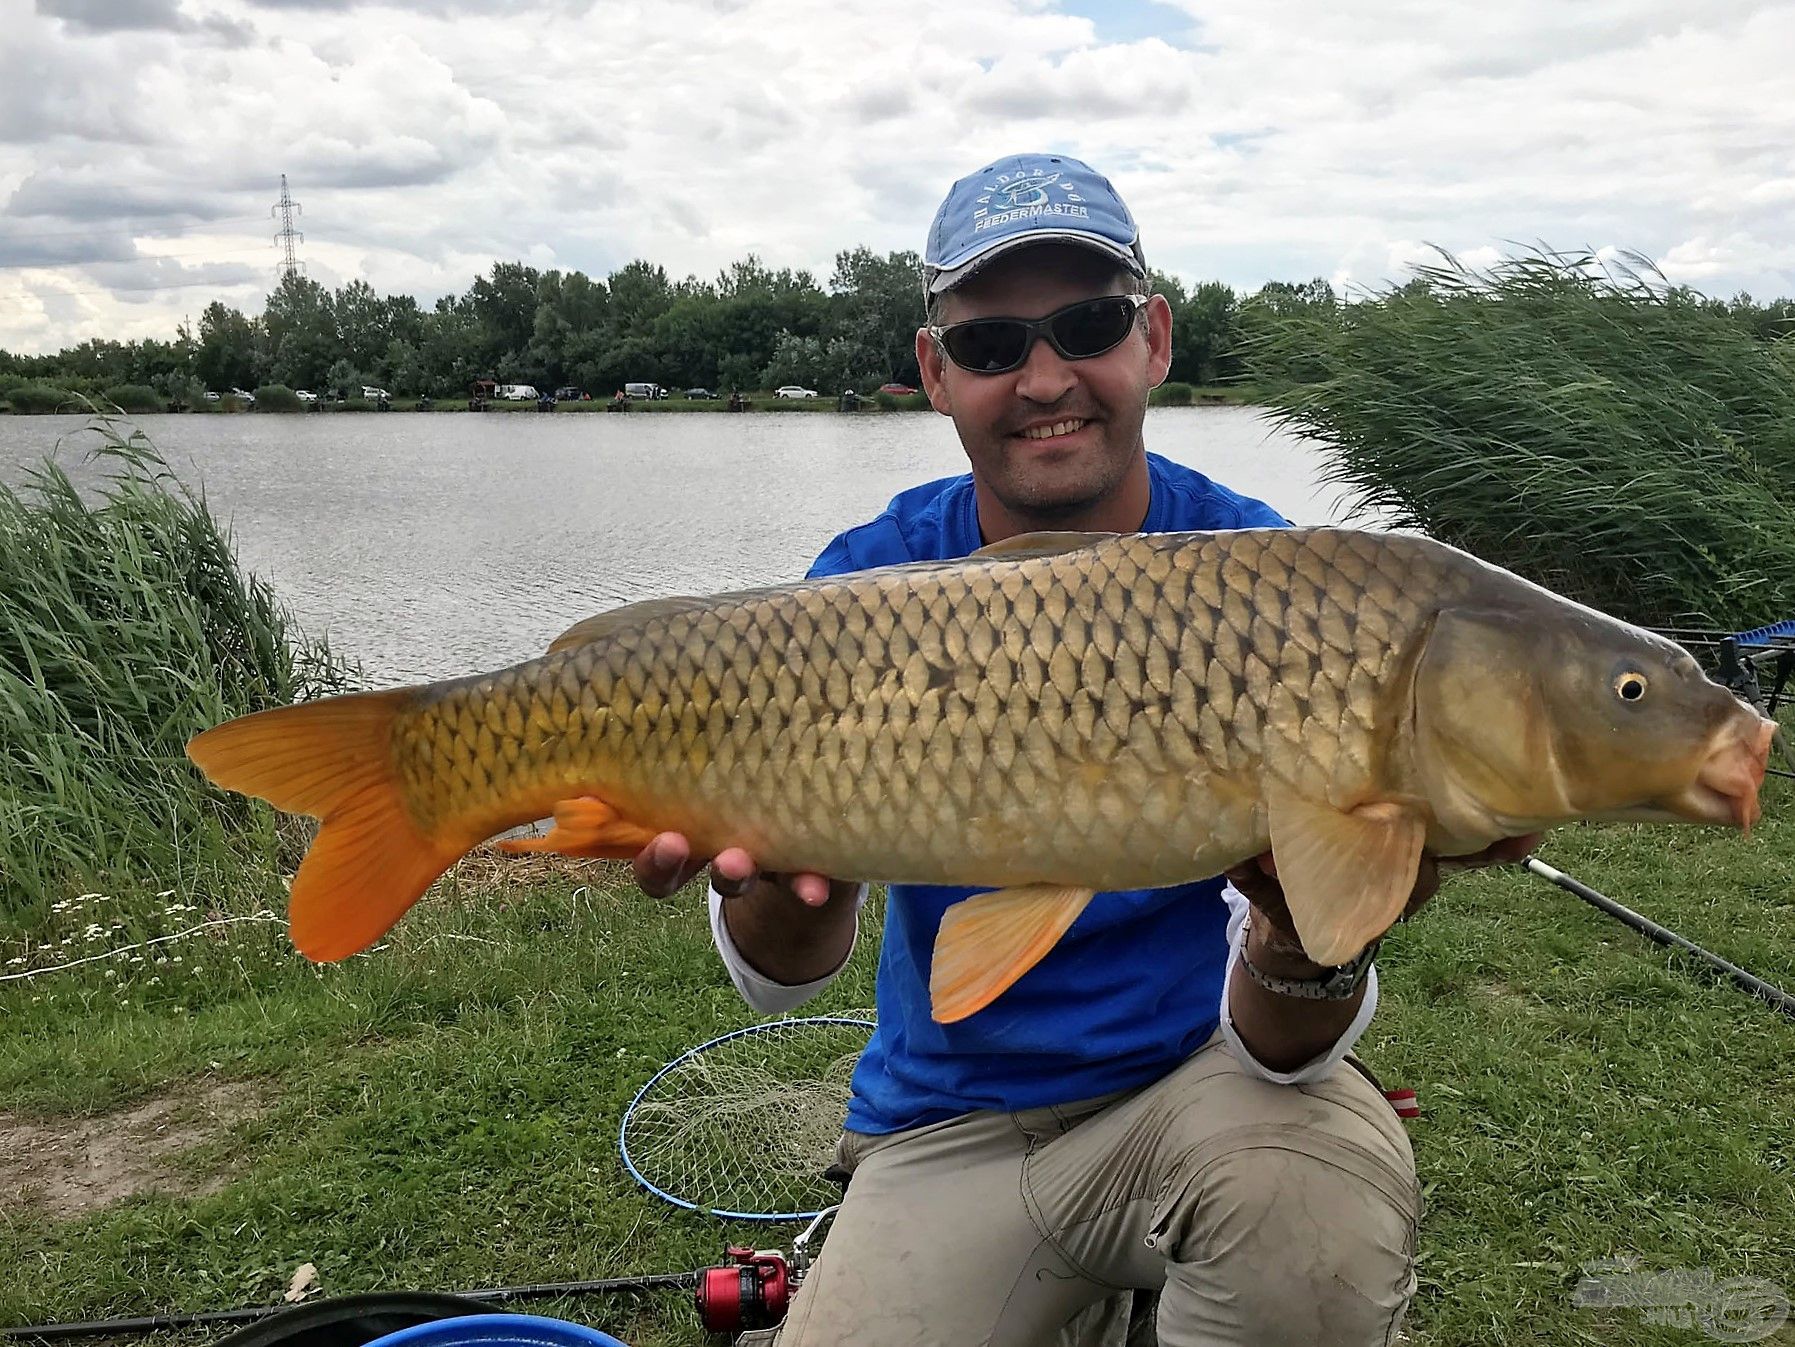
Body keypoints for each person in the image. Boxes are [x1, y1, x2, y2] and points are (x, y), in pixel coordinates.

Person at [633, 153, 1537, 1346]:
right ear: (935, 374)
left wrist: (1302, 931)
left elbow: (1280, 1054)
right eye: (994, 344)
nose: (1045, 378)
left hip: (1199, 1095)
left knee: (1308, 1203)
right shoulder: (865, 584)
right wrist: (790, 883)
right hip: (941, 1119)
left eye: (1088, 325)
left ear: (1153, 339)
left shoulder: (1286, 585)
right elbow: (782, 977)